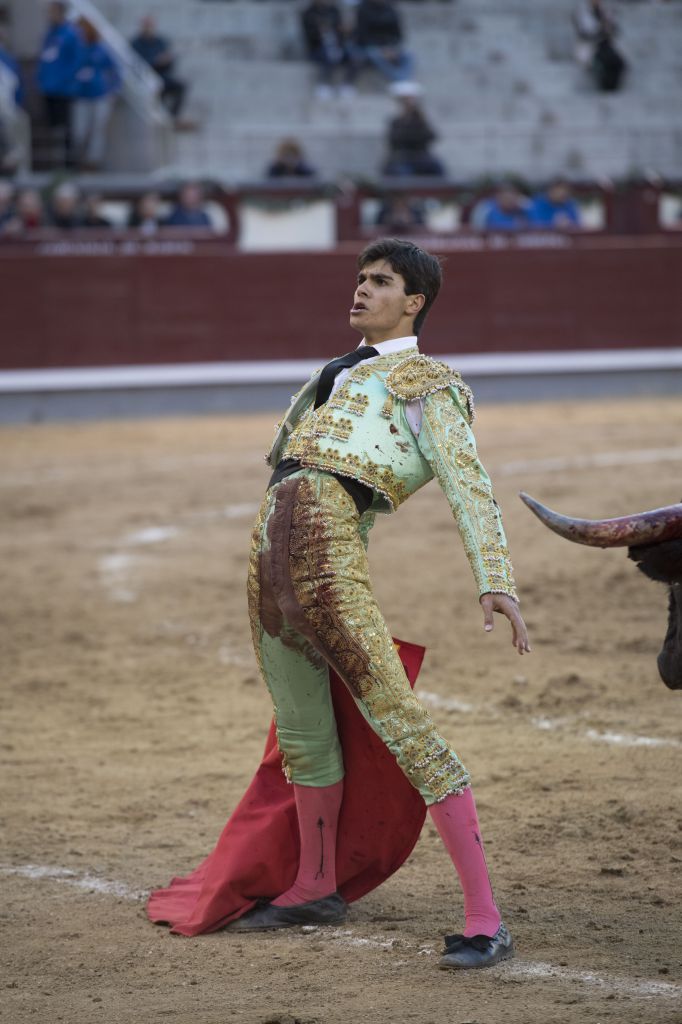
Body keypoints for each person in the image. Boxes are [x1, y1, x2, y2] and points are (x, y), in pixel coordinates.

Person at [202, 238, 530, 970]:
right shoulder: (328, 375)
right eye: (359, 278)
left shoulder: (428, 383)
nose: (360, 290)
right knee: (303, 734)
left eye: (379, 282)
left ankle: (486, 918)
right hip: (270, 559)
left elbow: (466, 481)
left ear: (413, 302)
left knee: (404, 727)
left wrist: (496, 578)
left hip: (327, 555)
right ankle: (315, 885)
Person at [36, 1, 82, 165]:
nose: (50, 16)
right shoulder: (50, 34)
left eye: (53, 12)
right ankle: (54, 161)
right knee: (52, 127)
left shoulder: (71, 34)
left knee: (66, 127)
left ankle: (69, 163)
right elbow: (45, 59)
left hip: (64, 88)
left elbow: (77, 60)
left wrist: (65, 79)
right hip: (49, 87)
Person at [72, 19, 121, 171]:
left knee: (98, 129)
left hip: (100, 95)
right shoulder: (77, 49)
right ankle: (79, 158)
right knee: (79, 131)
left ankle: (93, 162)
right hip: (81, 95)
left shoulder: (101, 49)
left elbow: (115, 70)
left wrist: (113, 90)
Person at [130, 16, 187, 122]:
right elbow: (138, 63)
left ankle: (172, 117)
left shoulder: (160, 42)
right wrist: (155, 61)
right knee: (156, 87)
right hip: (145, 78)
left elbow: (170, 63)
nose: (148, 28)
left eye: (150, 26)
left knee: (180, 85)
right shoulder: (136, 43)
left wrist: (167, 60)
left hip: (161, 75)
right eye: (146, 26)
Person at [383, 82, 445, 177]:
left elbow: (431, 136)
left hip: (421, 157)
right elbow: (395, 140)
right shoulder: (396, 121)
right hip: (402, 158)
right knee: (401, 173)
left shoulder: (420, 120)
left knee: (438, 169)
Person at [301, 0, 357, 99]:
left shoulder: (334, 10)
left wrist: (344, 31)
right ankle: (324, 84)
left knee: (353, 55)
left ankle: (347, 85)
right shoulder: (308, 13)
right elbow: (308, 36)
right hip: (317, 48)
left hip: (337, 46)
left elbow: (340, 31)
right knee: (327, 55)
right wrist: (321, 32)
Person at [354, 0, 414, 84]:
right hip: (371, 46)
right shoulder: (363, 9)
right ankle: (400, 81)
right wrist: (382, 49)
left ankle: (402, 80)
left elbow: (398, 34)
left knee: (409, 55)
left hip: (390, 46)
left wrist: (392, 48)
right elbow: (362, 35)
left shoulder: (391, 9)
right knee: (375, 54)